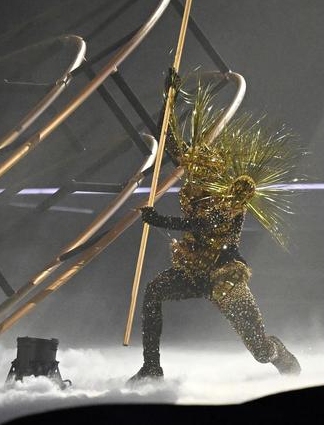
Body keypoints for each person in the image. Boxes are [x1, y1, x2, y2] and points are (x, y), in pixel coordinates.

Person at [128, 80, 301, 382]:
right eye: (193, 172)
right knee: (154, 292)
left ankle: (280, 355)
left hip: (224, 275)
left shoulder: (232, 196)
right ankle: (151, 367)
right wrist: (168, 100)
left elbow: (205, 225)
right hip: (193, 268)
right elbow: (165, 141)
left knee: (259, 350)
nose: (194, 178)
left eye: (202, 173)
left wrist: (160, 220)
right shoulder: (194, 182)